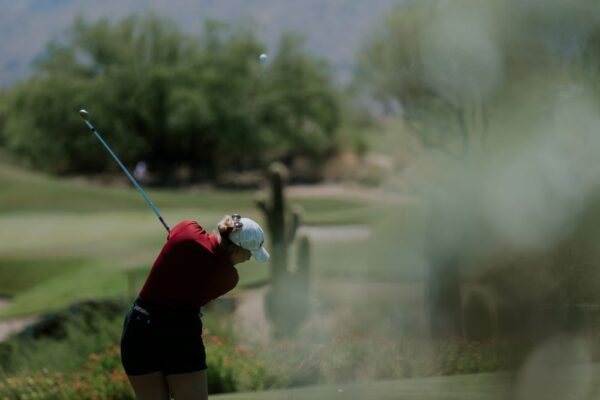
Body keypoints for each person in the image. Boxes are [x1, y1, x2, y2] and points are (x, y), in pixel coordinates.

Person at [120, 214, 269, 400]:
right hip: (179, 332)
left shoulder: (187, 229)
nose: (248, 259)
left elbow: (179, 242)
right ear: (237, 250)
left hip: (141, 326)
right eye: (250, 254)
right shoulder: (229, 278)